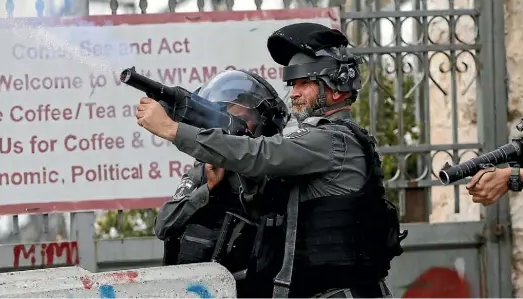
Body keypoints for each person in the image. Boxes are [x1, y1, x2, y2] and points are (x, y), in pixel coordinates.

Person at [136, 23, 405, 298]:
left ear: (335, 90)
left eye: (304, 83)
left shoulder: (330, 141)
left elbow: (257, 154)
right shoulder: (317, 143)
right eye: (293, 84)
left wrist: (172, 130)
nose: (295, 93)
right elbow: (262, 205)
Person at [153, 69, 290, 297]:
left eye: (244, 120)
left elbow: (260, 206)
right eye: (230, 119)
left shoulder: (270, 168)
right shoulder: (204, 167)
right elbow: (163, 225)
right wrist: (207, 189)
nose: (235, 129)